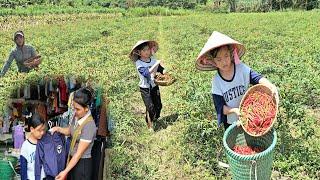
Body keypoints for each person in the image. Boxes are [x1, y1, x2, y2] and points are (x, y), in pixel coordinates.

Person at [195, 31, 279, 130]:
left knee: (254, 135)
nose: (224, 62)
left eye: (226, 56)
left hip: (250, 115)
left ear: (231, 54)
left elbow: (257, 78)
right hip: (231, 121)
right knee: (238, 144)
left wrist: (270, 86)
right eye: (219, 59)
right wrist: (235, 110)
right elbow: (220, 107)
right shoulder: (216, 81)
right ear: (214, 62)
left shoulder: (241, 69)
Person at [51, 87, 97, 180]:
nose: (75, 112)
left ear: (87, 108)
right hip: (72, 162)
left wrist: (65, 172)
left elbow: (78, 154)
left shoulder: (89, 126)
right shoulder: (77, 117)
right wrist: (58, 128)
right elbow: (70, 131)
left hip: (82, 165)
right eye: (73, 108)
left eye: (77, 109)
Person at [129, 40, 166, 131]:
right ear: (139, 52)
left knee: (158, 105)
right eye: (144, 50)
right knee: (150, 107)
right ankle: (149, 125)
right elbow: (146, 73)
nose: (147, 52)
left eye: (148, 50)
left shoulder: (152, 60)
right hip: (145, 88)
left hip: (154, 86)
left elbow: (161, 69)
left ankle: (155, 118)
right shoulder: (139, 63)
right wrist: (156, 64)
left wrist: (165, 71)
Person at [20, 113, 46, 180]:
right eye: (39, 130)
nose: (42, 132)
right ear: (32, 129)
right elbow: (23, 169)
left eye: (43, 129)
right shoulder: (25, 146)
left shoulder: (43, 142)